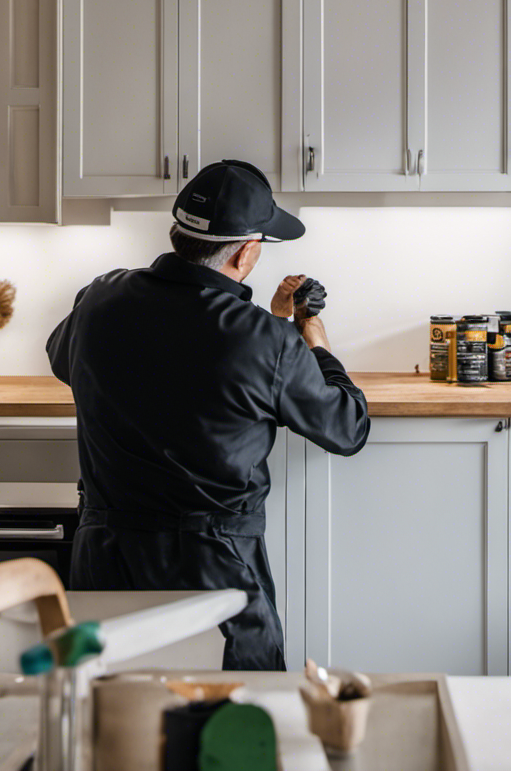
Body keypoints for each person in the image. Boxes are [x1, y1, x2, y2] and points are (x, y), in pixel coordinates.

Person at [46, 160, 370, 670]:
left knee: (109, 715)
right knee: (232, 716)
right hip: (211, 571)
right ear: (246, 251)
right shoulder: (266, 341)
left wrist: (275, 318)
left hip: (105, 560)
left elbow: (69, 362)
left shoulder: (99, 298)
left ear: (179, 235)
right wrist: (311, 334)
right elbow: (347, 427)